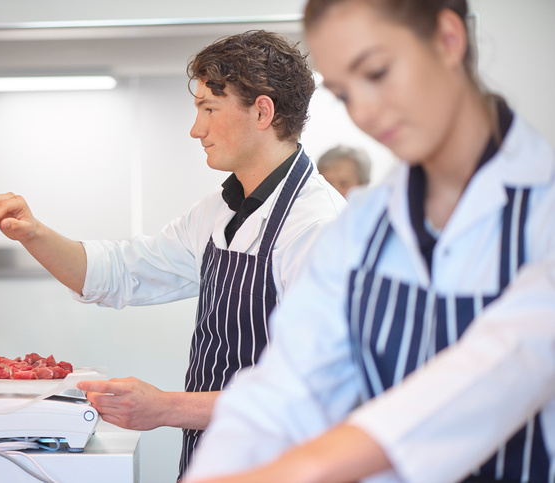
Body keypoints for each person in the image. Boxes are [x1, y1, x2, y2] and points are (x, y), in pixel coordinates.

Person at [184, 1, 555, 482]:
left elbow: (498, 371)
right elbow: (285, 386)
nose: (365, 112)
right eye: (343, 93)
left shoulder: (543, 209)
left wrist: (298, 470)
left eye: (377, 73)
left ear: (447, 39)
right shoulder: (365, 225)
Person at [0, 30, 346, 478]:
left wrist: (165, 408)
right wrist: (32, 233)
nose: (197, 130)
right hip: (211, 458)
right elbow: (118, 273)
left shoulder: (318, 228)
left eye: (209, 109)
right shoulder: (218, 209)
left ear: (262, 112)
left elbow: (311, 395)